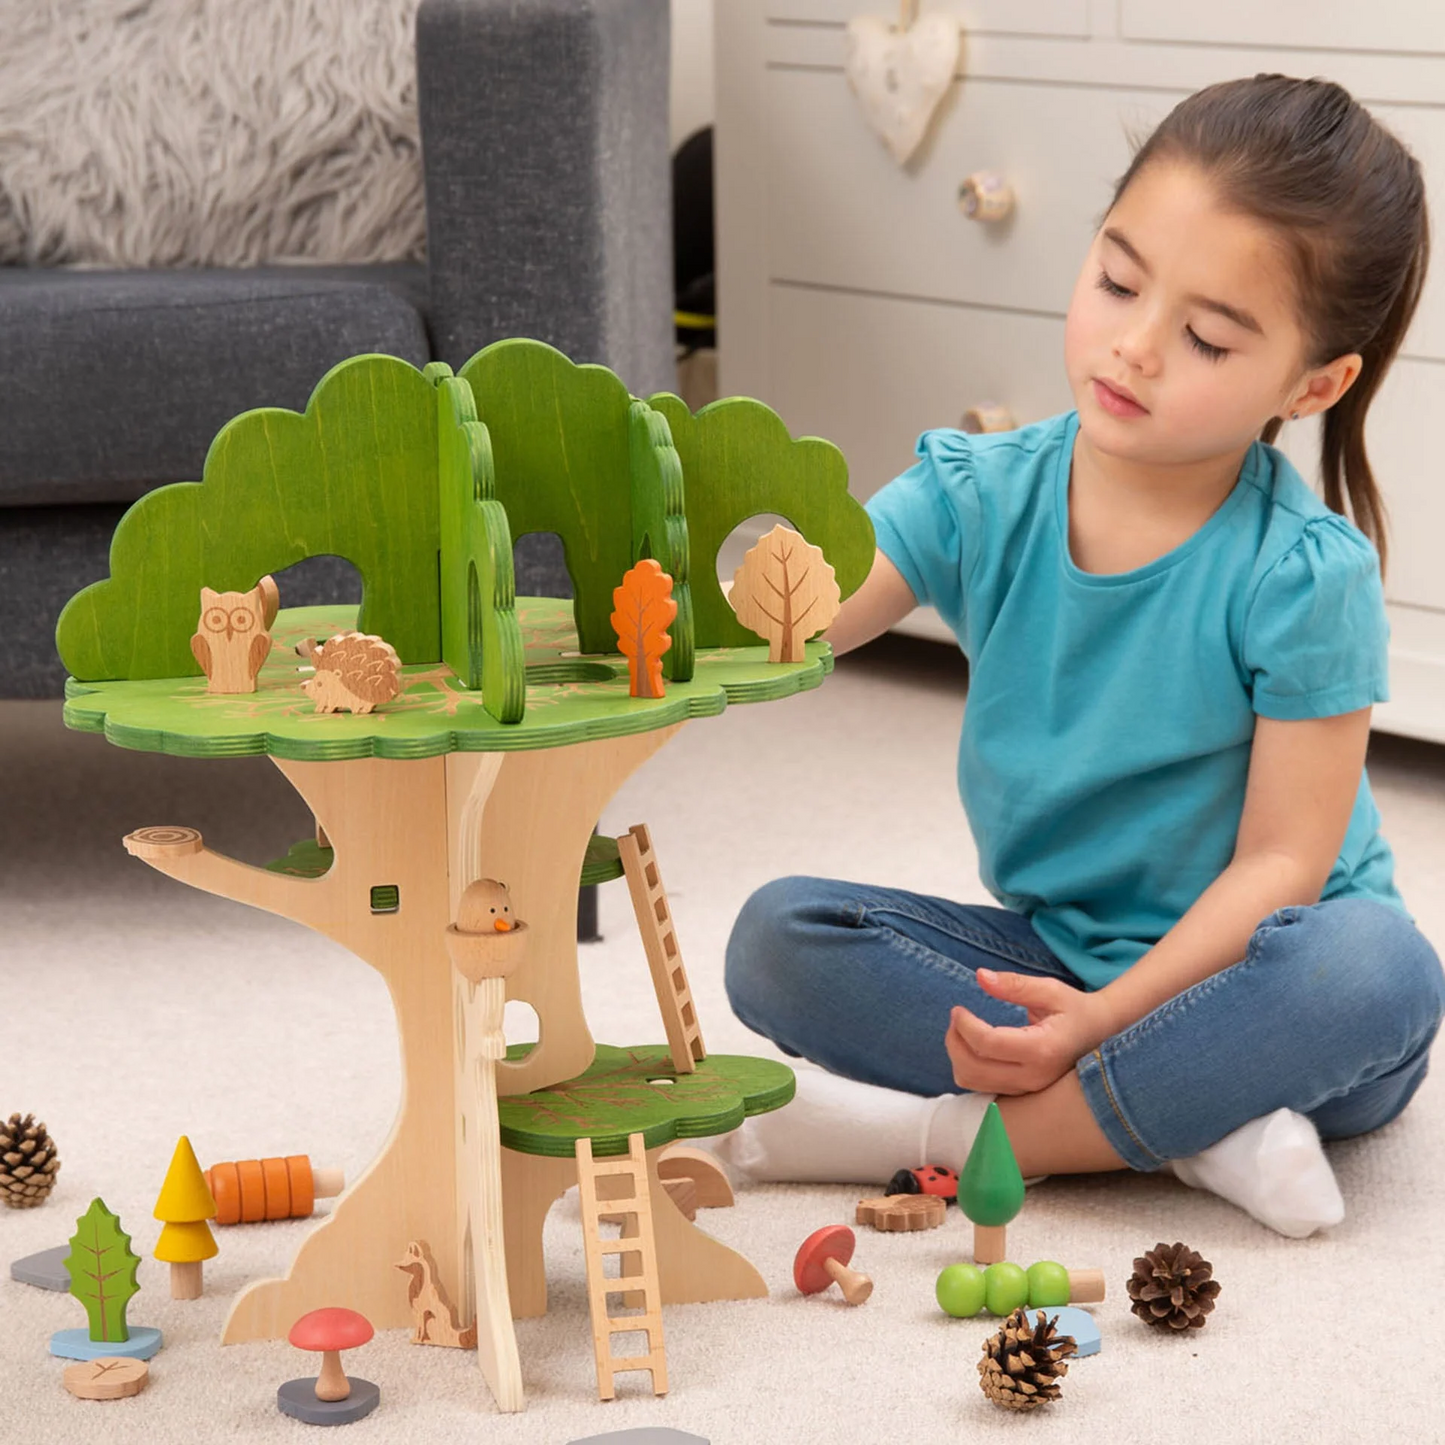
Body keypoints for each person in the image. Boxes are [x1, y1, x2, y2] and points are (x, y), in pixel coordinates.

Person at [717, 74, 1445, 1238]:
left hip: (1260, 976)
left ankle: (957, 1136)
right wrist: (720, 598)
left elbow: (1281, 867)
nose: (1133, 346)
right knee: (777, 939)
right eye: (1114, 280)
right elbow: (813, 612)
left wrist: (1102, 1020)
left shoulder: (1302, 572)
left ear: (1311, 383)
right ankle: (1195, 1124)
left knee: (1384, 972)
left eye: (1205, 336)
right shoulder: (975, 487)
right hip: (1050, 956)